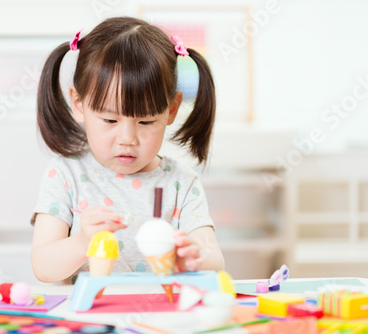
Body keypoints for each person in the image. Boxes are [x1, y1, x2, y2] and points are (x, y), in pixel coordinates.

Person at [31, 16, 224, 284]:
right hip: (91, 317)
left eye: (145, 122)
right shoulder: (66, 175)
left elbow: (215, 258)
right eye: (110, 120)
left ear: (171, 110)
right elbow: (43, 267)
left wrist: (194, 257)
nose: (127, 139)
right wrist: (83, 242)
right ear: (78, 103)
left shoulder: (181, 183)